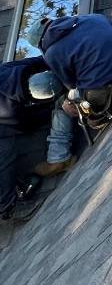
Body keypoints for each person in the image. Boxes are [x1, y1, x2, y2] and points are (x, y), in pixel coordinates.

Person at [27, 14, 112, 131]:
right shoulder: (92, 17)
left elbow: (71, 85)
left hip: (110, 93)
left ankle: (103, 114)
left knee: (89, 116)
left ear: (40, 43)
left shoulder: (51, 54)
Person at [0, 57, 56, 221]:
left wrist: (54, 58)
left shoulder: (9, 71)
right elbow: (29, 123)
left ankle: (14, 184)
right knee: (5, 151)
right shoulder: (9, 111)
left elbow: (37, 61)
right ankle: (8, 208)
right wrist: (54, 106)